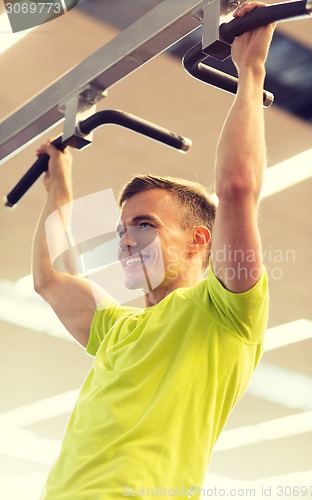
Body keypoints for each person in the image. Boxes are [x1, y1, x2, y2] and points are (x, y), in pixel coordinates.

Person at [33, 2, 275, 498]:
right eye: (122, 231)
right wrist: (60, 183)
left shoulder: (224, 310)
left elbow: (234, 188)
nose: (125, 243)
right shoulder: (116, 328)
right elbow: (49, 279)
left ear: (198, 240)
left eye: (143, 226)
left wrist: (251, 70)